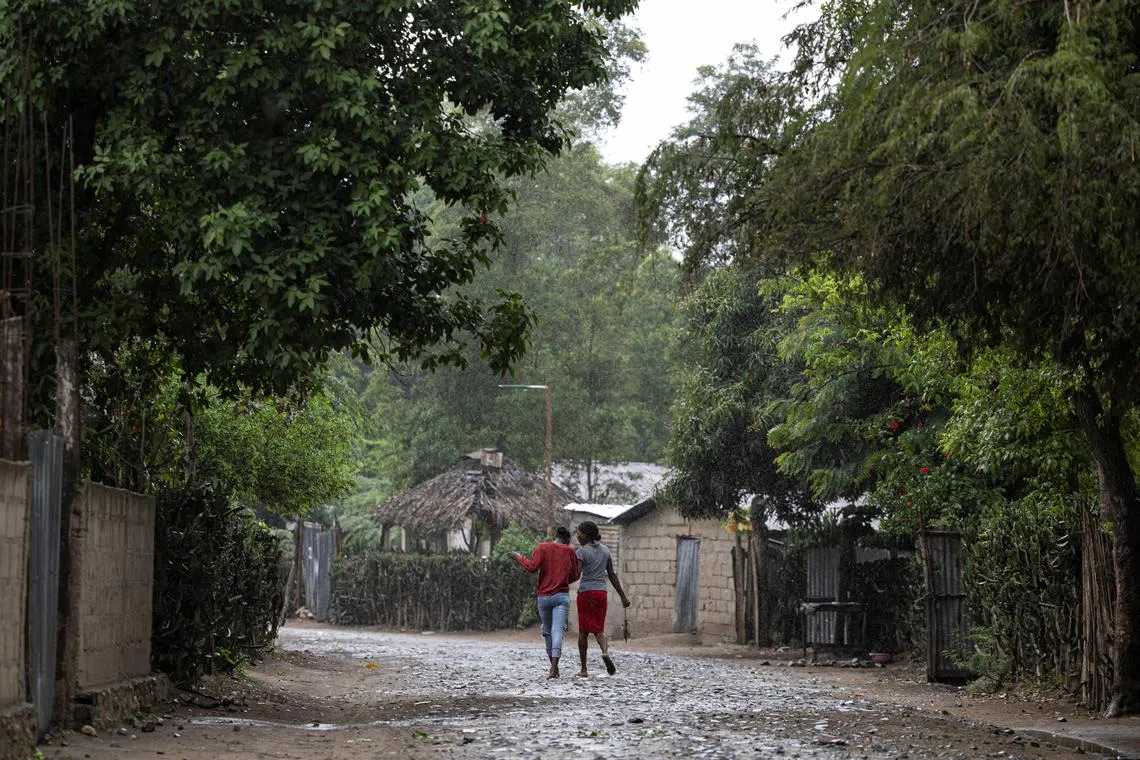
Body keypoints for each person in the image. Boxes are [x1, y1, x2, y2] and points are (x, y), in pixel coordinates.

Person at [508, 526, 580, 678]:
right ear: (567, 539)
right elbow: (575, 575)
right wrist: (563, 580)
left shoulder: (542, 547)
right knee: (558, 631)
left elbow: (532, 567)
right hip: (561, 596)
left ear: (556, 536)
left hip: (544, 597)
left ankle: (553, 666)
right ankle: (554, 667)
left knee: (547, 631)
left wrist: (518, 557)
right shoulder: (570, 551)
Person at [574, 520, 630, 677]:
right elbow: (612, 575)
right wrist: (623, 597)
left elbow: (577, 574)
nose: (577, 535)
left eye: (578, 533)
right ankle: (605, 652)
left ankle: (584, 669)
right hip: (601, 593)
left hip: (585, 593)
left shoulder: (581, 552)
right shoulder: (606, 551)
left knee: (583, 631)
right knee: (598, 629)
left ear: (585, 536)